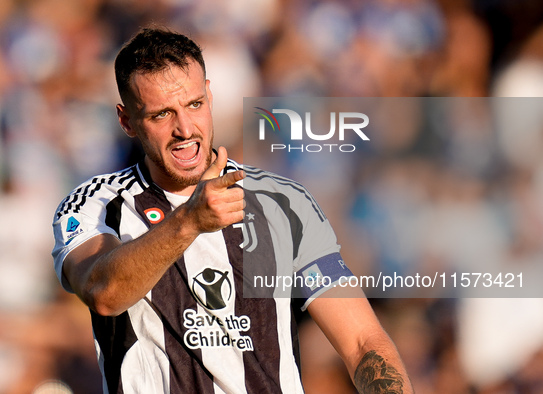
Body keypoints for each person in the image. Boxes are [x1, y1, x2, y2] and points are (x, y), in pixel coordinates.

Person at [51, 27, 413, 393]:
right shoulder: (96, 204)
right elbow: (103, 293)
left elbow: (362, 342)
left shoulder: (282, 203)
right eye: (161, 115)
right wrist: (189, 221)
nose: (184, 129)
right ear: (126, 120)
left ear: (209, 96)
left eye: (194, 105)